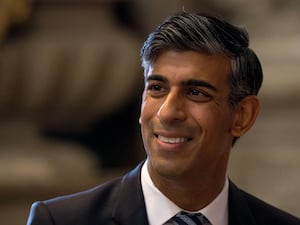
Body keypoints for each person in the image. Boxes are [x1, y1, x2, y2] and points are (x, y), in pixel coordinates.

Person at [26, 12, 300, 225]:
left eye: (195, 92)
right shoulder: (59, 221)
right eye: (156, 88)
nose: (167, 112)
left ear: (243, 115)